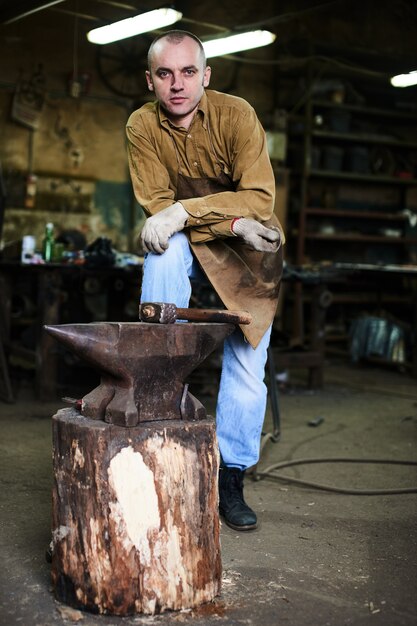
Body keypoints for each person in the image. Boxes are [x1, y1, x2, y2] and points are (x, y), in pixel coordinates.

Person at [126, 30, 284, 531]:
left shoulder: (237, 115)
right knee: (163, 247)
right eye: (166, 74)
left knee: (246, 356)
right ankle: (154, 410)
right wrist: (217, 218)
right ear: (150, 80)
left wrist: (214, 219)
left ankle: (230, 475)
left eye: (188, 72)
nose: (178, 84)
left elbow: (258, 201)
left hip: (251, 241)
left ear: (206, 76)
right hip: (195, 236)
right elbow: (157, 208)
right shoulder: (141, 125)